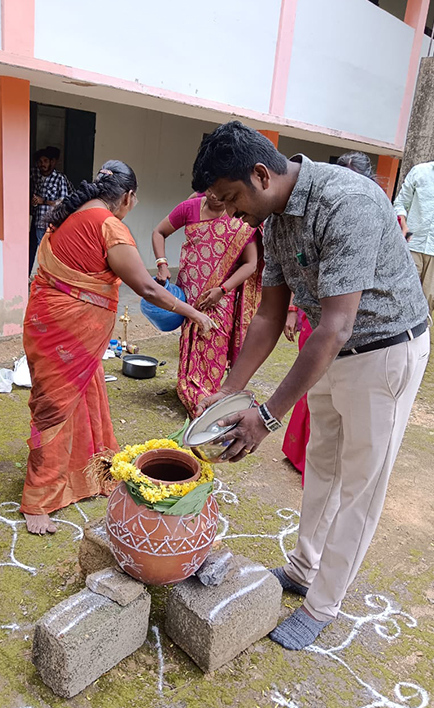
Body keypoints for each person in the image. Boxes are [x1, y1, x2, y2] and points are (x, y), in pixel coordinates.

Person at [192, 122, 429, 650]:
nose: (229, 213)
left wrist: (266, 417)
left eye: (230, 199)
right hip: (330, 352)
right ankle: (303, 568)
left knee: (361, 484)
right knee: (322, 465)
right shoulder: (274, 219)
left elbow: (337, 325)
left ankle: (323, 604)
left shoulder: (347, 202)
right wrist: (228, 392)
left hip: (383, 352)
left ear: (260, 174)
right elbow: (268, 316)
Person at [21, 160, 214, 535]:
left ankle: (85, 473)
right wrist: (194, 314)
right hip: (64, 329)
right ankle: (38, 499)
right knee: (55, 409)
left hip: (51, 323)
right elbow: (147, 287)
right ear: (127, 196)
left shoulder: (73, 213)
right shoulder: (108, 225)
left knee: (82, 398)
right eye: (134, 201)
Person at [282, 151, 378, 484]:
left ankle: (330, 468)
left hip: (358, 330)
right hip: (319, 319)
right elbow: (299, 270)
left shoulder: (374, 216)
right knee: (311, 388)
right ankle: (303, 456)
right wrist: (292, 311)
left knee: (347, 411)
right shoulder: (315, 217)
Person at [152, 189, 261, 415]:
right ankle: (192, 388)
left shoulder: (239, 216)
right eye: (210, 188)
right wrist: (162, 264)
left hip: (221, 298)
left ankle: (211, 393)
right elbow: (159, 232)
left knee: (215, 343)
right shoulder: (189, 208)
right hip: (190, 293)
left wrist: (222, 290)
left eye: (221, 191)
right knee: (191, 341)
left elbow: (251, 264)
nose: (214, 195)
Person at [393, 161, 434, 312]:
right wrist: (404, 226)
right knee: (403, 295)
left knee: (428, 302)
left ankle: (423, 327)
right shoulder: (419, 171)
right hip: (413, 244)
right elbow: (400, 203)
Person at [29, 147, 73, 275]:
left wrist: (44, 201)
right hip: (37, 221)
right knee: (38, 251)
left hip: (52, 222)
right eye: (40, 161)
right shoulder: (36, 175)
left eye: (45, 161)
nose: (42, 164)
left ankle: (52, 276)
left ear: (52, 162)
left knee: (50, 252)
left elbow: (63, 202)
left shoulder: (59, 179)